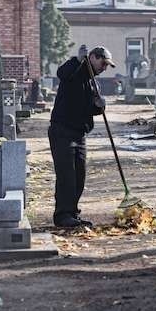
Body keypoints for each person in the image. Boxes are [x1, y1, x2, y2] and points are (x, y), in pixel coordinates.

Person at [49, 46, 114, 227]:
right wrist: (78, 60)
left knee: (79, 176)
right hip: (62, 131)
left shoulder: (93, 82)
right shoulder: (75, 70)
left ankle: (72, 213)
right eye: (103, 63)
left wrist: (100, 105)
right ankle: (62, 215)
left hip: (79, 133)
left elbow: (90, 109)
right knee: (66, 175)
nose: (104, 68)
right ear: (92, 57)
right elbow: (63, 73)